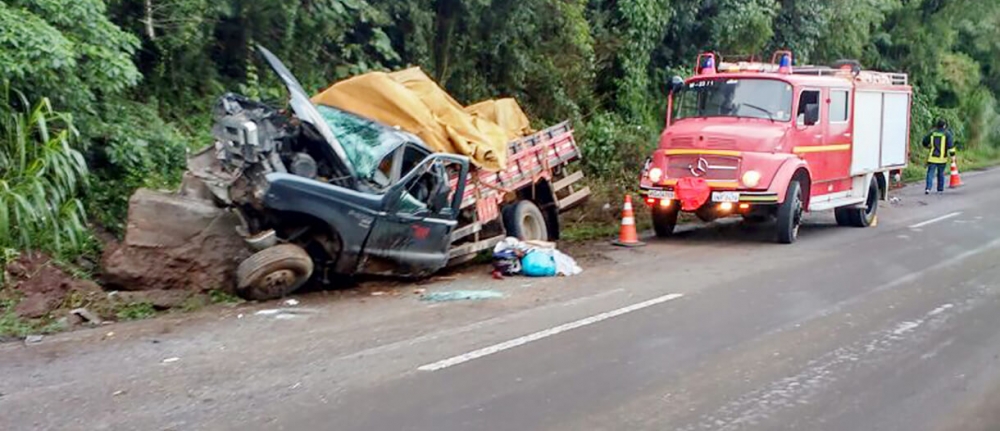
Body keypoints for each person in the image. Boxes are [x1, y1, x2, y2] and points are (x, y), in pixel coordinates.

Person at [922, 119, 956, 194]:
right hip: (942, 158)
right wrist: (953, 156)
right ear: (944, 126)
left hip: (932, 157)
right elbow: (951, 147)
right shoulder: (947, 134)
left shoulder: (932, 133)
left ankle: (928, 188)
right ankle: (940, 189)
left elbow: (924, 141)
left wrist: (928, 146)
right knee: (940, 173)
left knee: (930, 173)